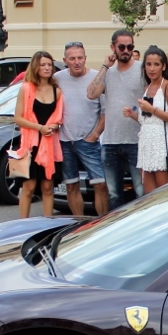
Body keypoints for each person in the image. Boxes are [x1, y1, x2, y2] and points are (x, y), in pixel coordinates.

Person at [87, 30, 145, 210]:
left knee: (141, 192)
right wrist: (105, 66)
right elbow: (91, 94)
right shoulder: (108, 73)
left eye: (130, 47)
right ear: (113, 48)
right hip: (111, 141)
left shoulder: (142, 69)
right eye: (122, 47)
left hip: (136, 140)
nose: (126, 50)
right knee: (114, 194)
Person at [54, 42, 108, 216]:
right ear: (65, 60)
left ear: (85, 58)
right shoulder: (58, 78)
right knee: (71, 184)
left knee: (100, 183)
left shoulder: (97, 78)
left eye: (80, 58)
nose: (77, 62)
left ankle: (102, 223)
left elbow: (105, 111)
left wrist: (95, 135)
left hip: (89, 141)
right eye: (72, 58)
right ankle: (79, 223)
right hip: (64, 140)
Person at [13, 51, 64, 218]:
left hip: (49, 144)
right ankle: (23, 225)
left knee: (48, 187)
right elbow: (18, 118)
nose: (47, 68)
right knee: (28, 187)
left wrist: (53, 126)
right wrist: (39, 127)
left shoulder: (56, 91)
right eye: (43, 64)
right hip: (30, 144)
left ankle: (47, 224)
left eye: (49, 64)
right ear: (36, 67)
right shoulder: (26, 88)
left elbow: (59, 117)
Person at [134, 45, 168, 194]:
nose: (152, 68)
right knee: (149, 196)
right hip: (145, 142)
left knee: (164, 195)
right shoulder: (146, 89)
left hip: (162, 142)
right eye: (148, 64)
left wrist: (152, 109)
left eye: (156, 64)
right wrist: (132, 114)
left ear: (163, 66)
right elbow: (147, 119)